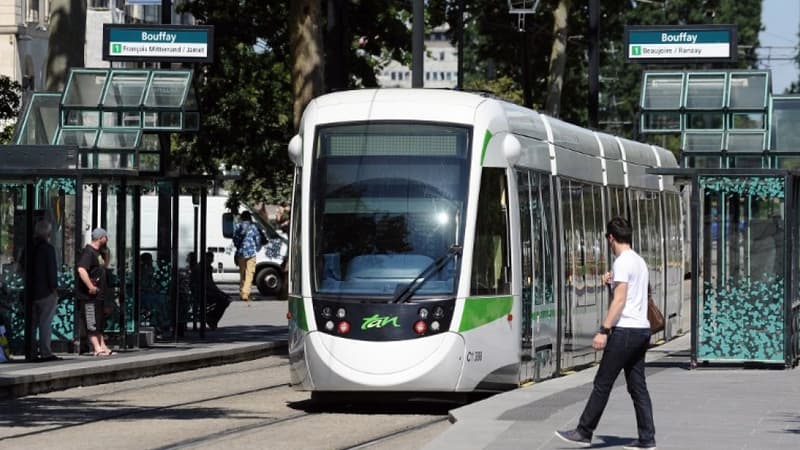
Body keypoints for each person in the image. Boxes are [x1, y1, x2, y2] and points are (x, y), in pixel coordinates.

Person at [555, 217, 656, 450]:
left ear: (611, 238)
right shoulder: (639, 261)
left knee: (602, 382)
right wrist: (611, 282)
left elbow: (620, 301)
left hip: (625, 331)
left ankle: (584, 431)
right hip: (641, 330)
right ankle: (647, 438)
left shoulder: (622, 262)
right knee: (637, 385)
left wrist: (604, 330)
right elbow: (634, 295)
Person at [76, 228, 115, 357]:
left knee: (98, 321)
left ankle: (102, 345)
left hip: (99, 294)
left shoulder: (98, 253)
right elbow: (81, 269)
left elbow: (105, 264)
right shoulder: (88, 252)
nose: (107, 239)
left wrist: (106, 252)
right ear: (100, 238)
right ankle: (97, 348)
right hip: (89, 295)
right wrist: (90, 286)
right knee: (92, 320)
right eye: (105, 237)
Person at [31, 220, 60, 362]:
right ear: (48, 233)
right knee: (45, 323)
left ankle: (30, 350)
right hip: (46, 292)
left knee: (32, 323)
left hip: (30, 291)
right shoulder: (48, 249)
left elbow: (20, 267)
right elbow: (51, 271)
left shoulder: (29, 247)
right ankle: (45, 352)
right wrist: (54, 289)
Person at [188, 251, 231, 330]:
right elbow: (206, 284)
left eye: (211, 260)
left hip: (208, 291)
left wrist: (219, 292)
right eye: (209, 260)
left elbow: (211, 283)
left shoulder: (208, 268)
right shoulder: (199, 268)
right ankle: (211, 318)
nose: (210, 262)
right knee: (223, 300)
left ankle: (212, 318)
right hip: (201, 292)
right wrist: (218, 293)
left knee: (226, 299)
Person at [233, 211, 262, 306]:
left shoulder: (238, 226)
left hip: (241, 253)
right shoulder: (253, 227)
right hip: (251, 253)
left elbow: (235, 239)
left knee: (242, 273)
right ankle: (245, 293)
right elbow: (257, 239)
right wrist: (257, 247)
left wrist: (238, 247)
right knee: (250, 273)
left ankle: (242, 292)